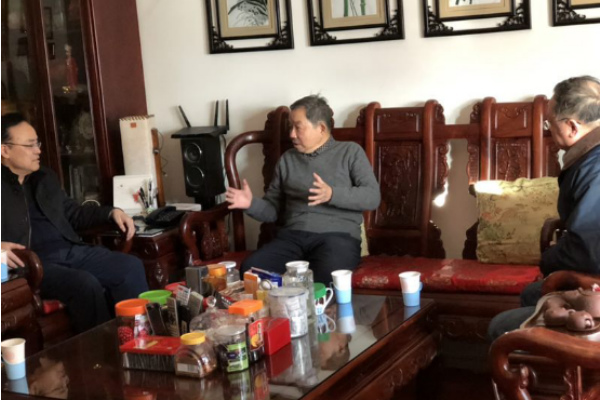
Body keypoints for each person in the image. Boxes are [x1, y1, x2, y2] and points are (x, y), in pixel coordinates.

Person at [1, 113, 148, 333]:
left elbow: (73, 213)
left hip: (71, 251)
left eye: (37, 144)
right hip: (33, 265)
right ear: (5, 150)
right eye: (30, 145)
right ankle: (104, 349)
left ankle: (140, 339)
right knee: (84, 284)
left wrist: (111, 213)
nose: (38, 150)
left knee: (130, 267)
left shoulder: (44, 177)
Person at [488, 75, 600, 340]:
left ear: (572, 126)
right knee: (532, 293)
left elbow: (587, 249)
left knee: (500, 328)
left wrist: (547, 260)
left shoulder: (595, 168)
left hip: (594, 283)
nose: (548, 129)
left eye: (550, 122)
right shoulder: (589, 155)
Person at [225, 95, 381, 284]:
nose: (291, 134)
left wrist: (332, 194)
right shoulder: (287, 159)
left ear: (321, 128)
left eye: (298, 127)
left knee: (324, 278)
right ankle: (279, 305)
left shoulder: (350, 152)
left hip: (337, 238)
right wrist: (250, 204)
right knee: (252, 270)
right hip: (292, 238)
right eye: (290, 127)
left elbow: (372, 196)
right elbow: (272, 211)